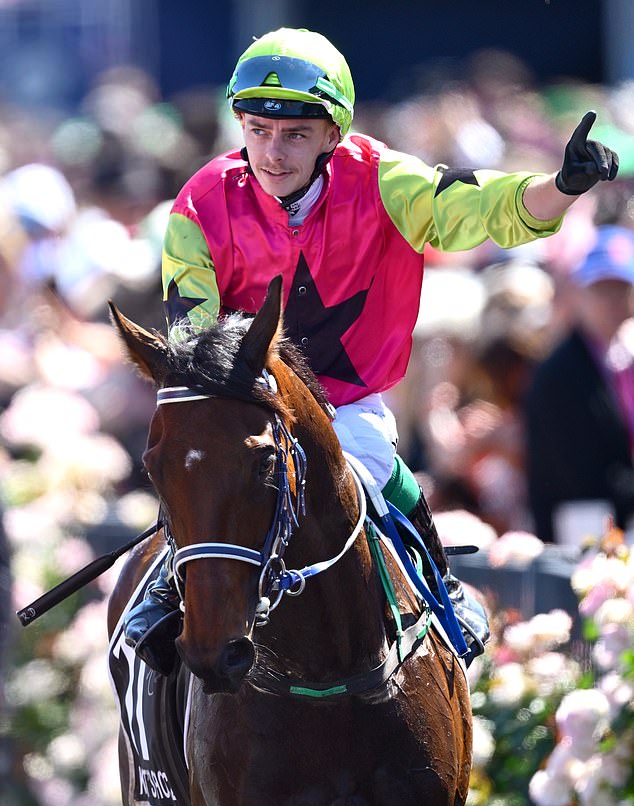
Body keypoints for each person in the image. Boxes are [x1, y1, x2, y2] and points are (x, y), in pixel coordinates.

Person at [124, 27, 618, 674]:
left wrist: (562, 185)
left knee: (376, 465)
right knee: (201, 469)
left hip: (346, 402)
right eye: (258, 129)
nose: (273, 152)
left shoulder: (386, 181)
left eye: (296, 133)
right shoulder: (198, 205)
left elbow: (483, 207)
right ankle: (165, 583)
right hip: (246, 408)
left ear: (333, 134)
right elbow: (195, 342)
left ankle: (439, 586)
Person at [525, 224, 634, 543]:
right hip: (580, 533)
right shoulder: (557, 372)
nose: (613, 301)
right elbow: (579, 474)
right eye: (602, 289)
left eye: (622, 288)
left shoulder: (621, 358)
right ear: (580, 293)